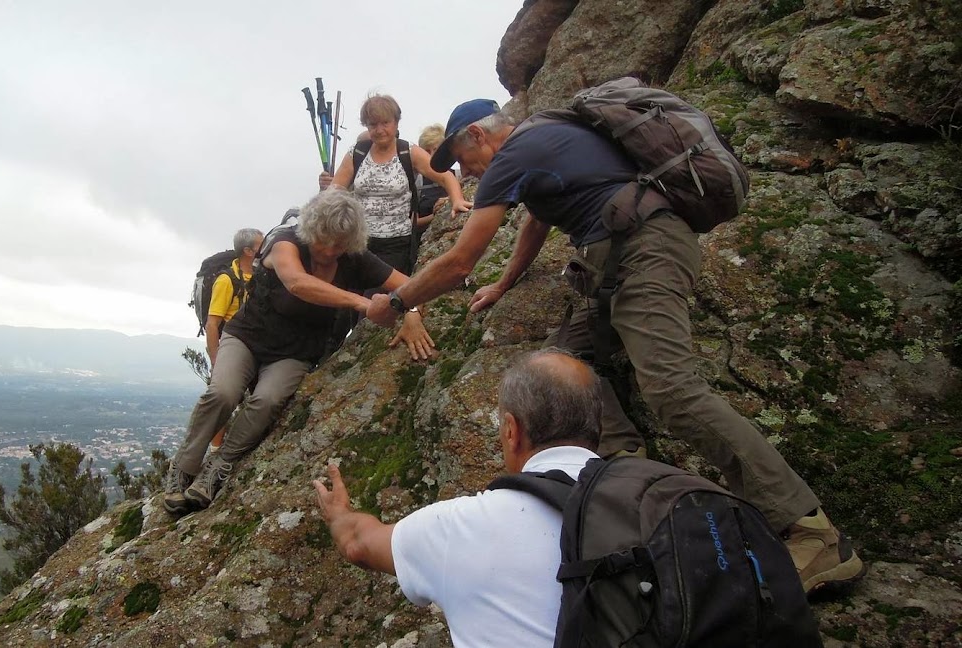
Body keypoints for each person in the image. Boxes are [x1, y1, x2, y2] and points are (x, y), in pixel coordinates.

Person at [363, 98, 865, 594]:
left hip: (647, 250)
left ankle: (810, 530)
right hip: (618, 262)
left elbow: (459, 262)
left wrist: (397, 300)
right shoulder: (542, 143)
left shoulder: (518, 149)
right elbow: (537, 221)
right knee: (563, 368)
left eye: (464, 160)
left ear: (478, 133)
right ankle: (622, 464)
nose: (468, 175)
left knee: (672, 391)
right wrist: (505, 282)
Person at [163, 190, 435, 515]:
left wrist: (413, 309)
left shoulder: (354, 257)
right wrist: (363, 302)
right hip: (248, 336)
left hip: (296, 351)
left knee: (266, 402)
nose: (330, 250)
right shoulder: (285, 242)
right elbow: (297, 283)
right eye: (324, 240)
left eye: (340, 244)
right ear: (310, 230)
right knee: (222, 392)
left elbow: (411, 284)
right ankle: (184, 467)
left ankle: (218, 466)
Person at [315, 349, 602, 647]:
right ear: (598, 426)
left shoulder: (460, 527)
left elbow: (358, 544)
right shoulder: (651, 497)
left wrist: (340, 514)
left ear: (511, 430)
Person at [318, 94, 471, 275]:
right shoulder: (357, 153)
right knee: (355, 300)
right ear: (366, 126)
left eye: (385, 123)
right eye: (373, 124)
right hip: (358, 244)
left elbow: (446, 177)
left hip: (397, 246)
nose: (379, 130)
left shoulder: (408, 151)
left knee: (384, 299)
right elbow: (334, 193)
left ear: (396, 123)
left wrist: (457, 200)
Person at [204, 228, 264, 453]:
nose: (265, 247)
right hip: (232, 346)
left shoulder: (261, 277)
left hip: (256, 346)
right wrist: (216, 361)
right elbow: (212, 324)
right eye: (261, 244)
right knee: (225, 401)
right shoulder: (227, 280)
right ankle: (215, 450)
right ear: (248, 251)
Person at [414, 124, 454, 227]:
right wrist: (437, 215)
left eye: (436, 149)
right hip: (424, 239)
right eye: (426, 151)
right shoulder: (416, 182)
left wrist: (448, 202)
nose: (431, 155)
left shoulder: (459, 176)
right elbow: (411, 223)